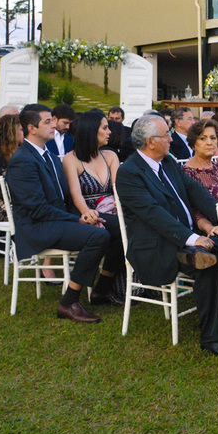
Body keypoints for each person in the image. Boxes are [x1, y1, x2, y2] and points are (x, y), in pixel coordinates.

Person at [115, 113, 218, 353]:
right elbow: (154, 215)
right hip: (158, 245)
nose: (171, 139)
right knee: (208, 263)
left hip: (186, 236)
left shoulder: (167, 162)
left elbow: (196, 191)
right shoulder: (129, 173)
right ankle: (213, 340)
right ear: (150, 142)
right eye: (167, 135)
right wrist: (193, 238)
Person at [4, 104, 117, 320]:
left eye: (52, 120)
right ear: (31, 128)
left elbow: (64, 198)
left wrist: (88, 214)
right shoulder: (22, 161)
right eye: (47, 122)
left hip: (56, 220)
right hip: (36, 227)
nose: (54, 125)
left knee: (117, 227)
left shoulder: (49, 155)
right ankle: (69, 302)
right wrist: (78, 218)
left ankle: (103, 289)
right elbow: (37, 209)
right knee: (98, 235)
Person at [60, 111, 125, 303]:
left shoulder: (110, 155)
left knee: (125, 227)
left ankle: (105, 287)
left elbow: (117, 187)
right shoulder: (71, 159)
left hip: (111, 208)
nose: (109, 132)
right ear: (90, 131)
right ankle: (103, 289)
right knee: (122, 230)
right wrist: (85, 212)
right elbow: (75, 193)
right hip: (86, 211)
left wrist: (119, 204)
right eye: (104, 128)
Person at [181, 118, 218, 202]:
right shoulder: (186, 173)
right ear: (193, 143)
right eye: (203, 138)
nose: (209, 143)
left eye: (213, 138)